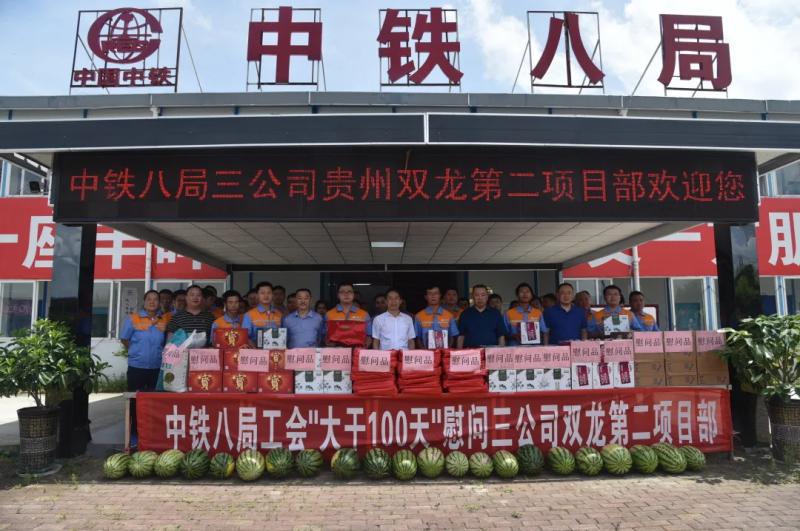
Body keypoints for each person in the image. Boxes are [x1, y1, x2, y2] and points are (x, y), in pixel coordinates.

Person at [120, 290, 170, 448]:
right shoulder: (133, 318)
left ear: (159, 303)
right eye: (149, 299)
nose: (152, 302)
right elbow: (125, 339)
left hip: (157, 367)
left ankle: (152, 434)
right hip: (137, 367)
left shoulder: (163, 320)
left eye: (155, 299)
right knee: (135, 401)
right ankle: (134, 434)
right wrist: (136, 352)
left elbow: (166, 342)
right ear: (144, 301)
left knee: (155, 402)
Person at [325, 283, 372, 347]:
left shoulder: (364, 314)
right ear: (338, 295)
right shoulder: (329, 315)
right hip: (336, 351)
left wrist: (361, 349)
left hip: (357, 351)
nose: (346, 294)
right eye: (342, 292)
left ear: (353, 295)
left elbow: (369, 337)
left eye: (349, 291)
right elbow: (325, 336)